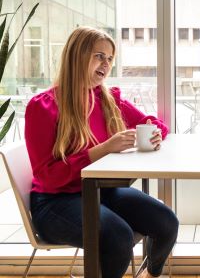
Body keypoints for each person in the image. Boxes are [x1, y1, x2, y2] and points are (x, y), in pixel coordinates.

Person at [25, 26, 178, 278]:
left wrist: (154, 132)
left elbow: (153, 123)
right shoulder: (43, 107)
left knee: (166, 222)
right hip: (55, 202)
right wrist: (103, 150)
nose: (105, 64)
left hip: (100, 191)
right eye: (98, 56)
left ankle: (149, 275)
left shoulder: (108, 98)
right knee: (118, 237)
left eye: (109, 58)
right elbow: (48, 176)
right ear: (77, 56)